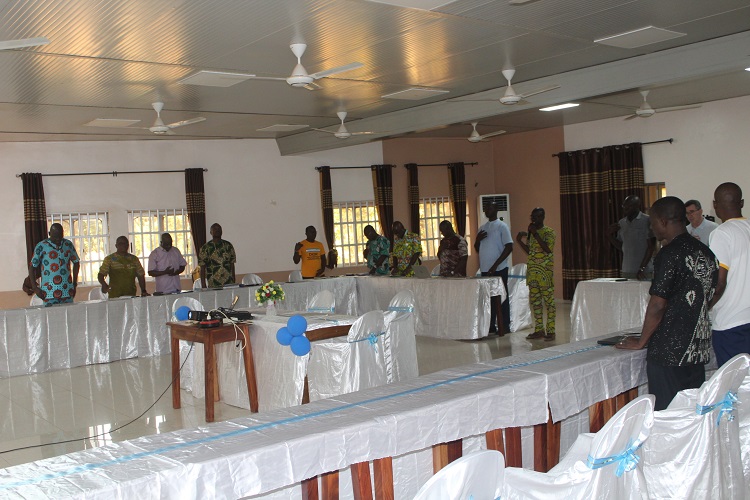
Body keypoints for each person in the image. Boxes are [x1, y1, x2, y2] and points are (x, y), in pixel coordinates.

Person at [617, 196, 718, 410]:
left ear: (663, 221)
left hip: (669, 352)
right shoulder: (706, 253)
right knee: (691, 414)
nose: (651, 229)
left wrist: (641, 340)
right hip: (696, 349)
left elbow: (657, 305)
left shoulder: (669, 254)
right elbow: (710, 294)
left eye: (652, 223)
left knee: (667, 415)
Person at [709, 182, 750, 366]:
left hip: (730, 322)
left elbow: (719, 282)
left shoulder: (722, 233)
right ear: (741, 203)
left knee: (733, 387)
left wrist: (705, 307)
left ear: (715, 205)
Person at [517, 208, 556, 341]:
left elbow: (547, 249)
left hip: (545, 273)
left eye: (537, 216)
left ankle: (551, 331)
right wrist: (520, 241)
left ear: (543, 217)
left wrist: (535, 234)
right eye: (532, 216)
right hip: (533, 273)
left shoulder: (549, 232)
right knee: (535, 302)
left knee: (549, 302)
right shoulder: (531, 234)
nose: (534, 219)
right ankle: (539, 330)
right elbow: (530, 251)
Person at [475, 202, 513, 334]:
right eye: (485, 208)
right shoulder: (482, 227)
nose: (486, 210)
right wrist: (477, 239)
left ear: (496, 209)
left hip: (499, 268)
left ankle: (505, 325)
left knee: (501, 297)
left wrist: (496, 264)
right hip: (485, 269)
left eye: (489, 208)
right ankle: (491, 325)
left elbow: (509, 247)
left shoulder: (502, 226)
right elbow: (477, 249)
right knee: (488, 298)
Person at [28, 223, 80, 306]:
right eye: (55, 237)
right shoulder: (41, 246)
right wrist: (35, 288)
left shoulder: (68, 244)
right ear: (49, 234)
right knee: (50, 317)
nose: (58, 239)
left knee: (68, 316)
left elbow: (76, 262)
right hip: (48, 292)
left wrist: (74, 284)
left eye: (60, 236)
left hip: (67, 291)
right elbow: (32, 267)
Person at [608, 195, 655, 280]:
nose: (625, 208)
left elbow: (651, 247)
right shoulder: (622, 223)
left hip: (644, 271)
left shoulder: (647, 220)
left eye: (628, 206)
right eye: (624, 205)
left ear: (637, 206)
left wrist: (642, 268)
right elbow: (621, 246)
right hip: (627, 270)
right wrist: (609, 235)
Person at [199, 223, 236, 288]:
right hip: (213, 283)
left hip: (228, 282)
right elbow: (202, 267)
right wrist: (203, 285)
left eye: (219, 229)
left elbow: (232, 264)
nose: (217, 230)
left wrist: (233, 280)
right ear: (211, 232)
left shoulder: (228, 245)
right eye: (215, 229)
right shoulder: (205, 248)